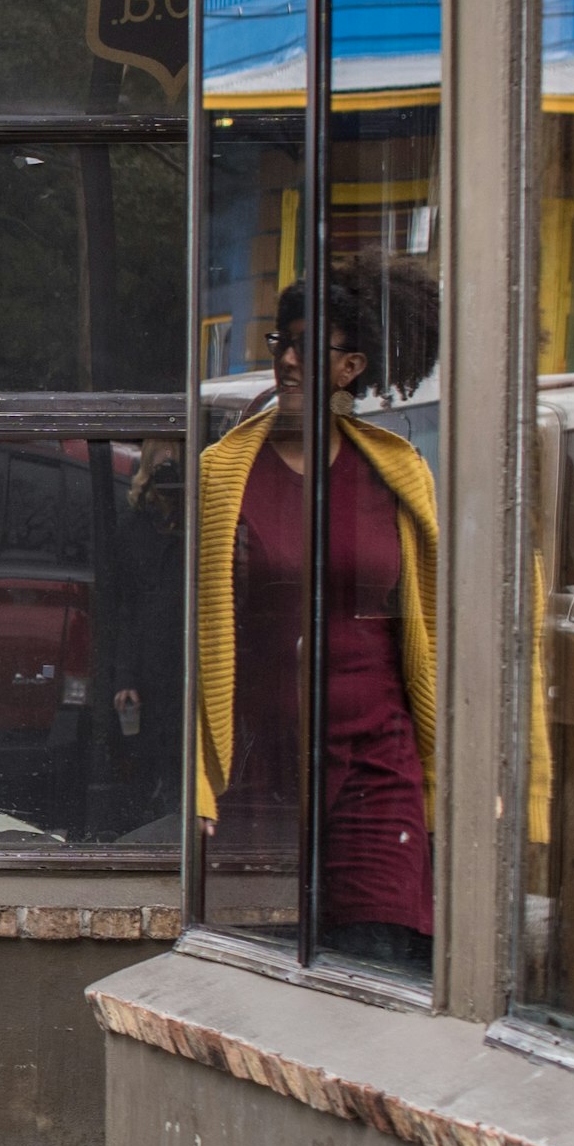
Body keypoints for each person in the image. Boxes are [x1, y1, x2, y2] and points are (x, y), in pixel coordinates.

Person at [192, 256, 446, 977]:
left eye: (310, 346)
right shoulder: (226, 472)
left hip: (377, 756)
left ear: (353, 365)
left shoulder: (396, 472)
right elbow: (195, 632)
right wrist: (199, 779)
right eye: (281, 342)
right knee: (274, 974)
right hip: (266, 764)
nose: (290, 360)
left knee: (380, 956)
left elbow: (429, 623)